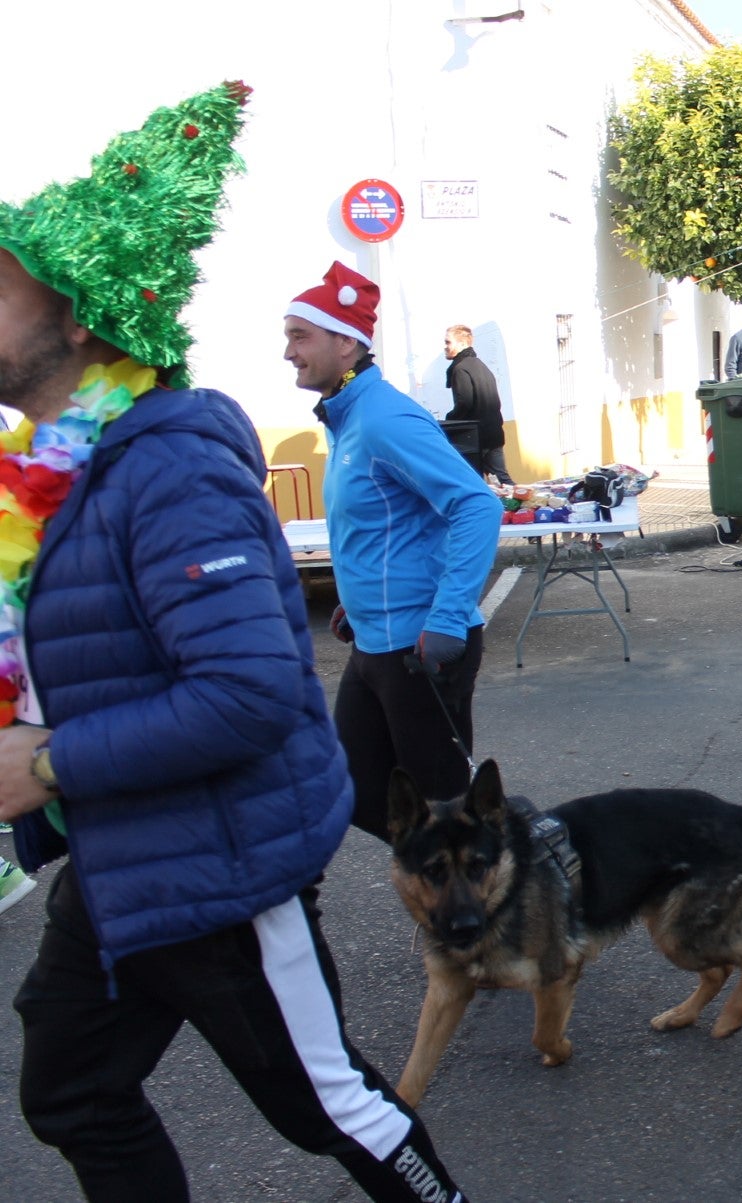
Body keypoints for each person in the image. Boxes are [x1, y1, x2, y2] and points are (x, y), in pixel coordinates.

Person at [0, 82, 469, 1202]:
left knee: (334, 1112)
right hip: (119, 867)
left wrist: (49, 762)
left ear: (78, 310)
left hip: (216, 870)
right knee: (68, 1092)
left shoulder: (165, 461)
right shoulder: (59, 473)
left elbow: (251, 694)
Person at [285, 264, 503, 842]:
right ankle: (453, 892)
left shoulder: (385, 418)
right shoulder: (347, 418)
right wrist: (357, 600)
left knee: (446, 816)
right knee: (359, 793)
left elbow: (477, 506)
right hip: (376, 641)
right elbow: (386, 527)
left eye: (299, 336)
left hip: (422, 647)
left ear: (345, 341)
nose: (288, 352)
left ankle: (480, 916)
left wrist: (450, 614)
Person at [443, 324, 512, 484]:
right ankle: (523, 505)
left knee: (475, 484)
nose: (445, 347)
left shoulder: (460, 369)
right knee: (503, 482)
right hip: (493, 433)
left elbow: (464, 403)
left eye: (448, 342)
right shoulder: (480, 365)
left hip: (476, 437)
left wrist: (449, 421)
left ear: (462, 344)